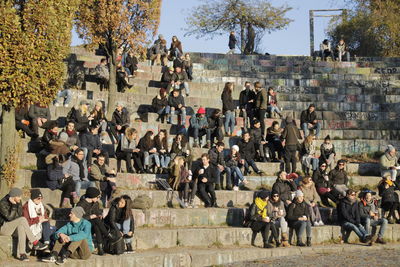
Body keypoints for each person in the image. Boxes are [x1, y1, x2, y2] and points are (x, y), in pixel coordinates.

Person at [0, 188, 48, 261]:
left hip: (14, 227)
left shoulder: (18, 201)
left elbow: (19, 215)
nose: (20, 198)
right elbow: (9, 218)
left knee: (21, 226)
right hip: (3, 228)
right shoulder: (2, 203)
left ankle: (22, 254)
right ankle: (35, 242)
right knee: (23, 219)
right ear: (13, 196)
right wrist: (14, 205)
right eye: (19, 196)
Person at [77, 187, 110, 255]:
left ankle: (100, 249)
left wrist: (100, 215)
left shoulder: (95, 203)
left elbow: (97, 212)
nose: (99, 198)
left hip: (93, 224)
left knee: (96, 225)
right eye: (98, 197)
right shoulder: (81, 204)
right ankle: (107, 235)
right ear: (93, 196)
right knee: (96, 221)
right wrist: (90, 216)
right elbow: (78, 218)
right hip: (83, 225)